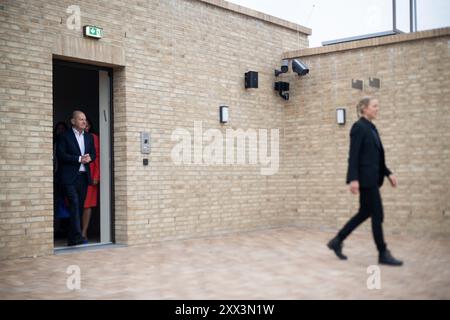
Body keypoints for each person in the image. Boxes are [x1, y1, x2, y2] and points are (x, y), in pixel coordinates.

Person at [327, 97, 403, 266]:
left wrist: (388, 173)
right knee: (377, 215)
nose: (377, 109)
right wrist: (353, 179)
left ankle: (337, 240)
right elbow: (353, 155)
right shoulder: (359, 127)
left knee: (364, 213)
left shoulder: (371, 128)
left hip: (373, 179)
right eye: (375, 106)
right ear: (364, 108)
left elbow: (376, 158)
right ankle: (383, 252)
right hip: (366, 180)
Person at [57, 110, 96, 246]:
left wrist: (90, 158)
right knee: (74, 203)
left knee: (79, 207)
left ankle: (73, 238)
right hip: (69, 178)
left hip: (83, 177)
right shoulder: (64, 136)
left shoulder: (89, 137)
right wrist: (79, 159)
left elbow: (93, 154)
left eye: (85, 119)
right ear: (73, 121)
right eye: (81, 119)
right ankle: (77, 236)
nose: (84, 121)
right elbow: (61, 155)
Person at [82, 118, 100, 241]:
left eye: (88, 125)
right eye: (84, 125)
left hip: (90, 174)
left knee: (87, 205)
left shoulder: (93, 137)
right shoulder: (72, 136)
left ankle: (84, 232)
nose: (86, 127)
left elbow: (98, 157)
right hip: (76, 175)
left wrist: (96, 175)